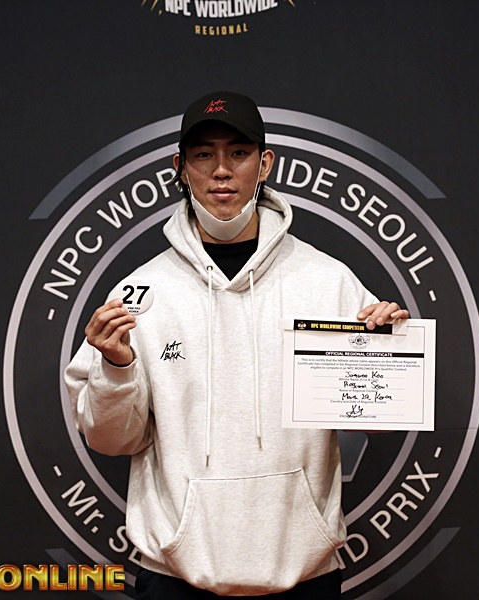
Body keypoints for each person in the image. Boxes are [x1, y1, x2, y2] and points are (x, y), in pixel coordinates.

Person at [64, 91, 408, 599]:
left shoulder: (327, 281)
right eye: (204, 154)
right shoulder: (139, 295)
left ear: (265, 164)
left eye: (239, 153)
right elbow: (112, 441)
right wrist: (115, 369)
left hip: (303, 575)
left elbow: (379, 419)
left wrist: (385, 351)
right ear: (180, 169)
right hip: (176, 577)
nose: (221, 171)